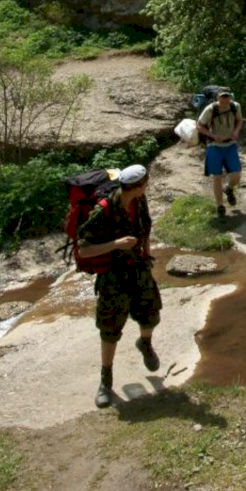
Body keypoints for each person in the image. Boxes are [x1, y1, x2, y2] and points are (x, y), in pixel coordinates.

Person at [75, 164, 162, 408]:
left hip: (139, 268)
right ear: (136, 186)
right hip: (114, 277)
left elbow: (146, 227)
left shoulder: (140, 201)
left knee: (151, 314)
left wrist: (146, 252)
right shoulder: (103, 211)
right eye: (145, 183)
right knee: (110, 329)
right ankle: (106, 380)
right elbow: (84, 248)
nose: (147, 186)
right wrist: (115, 244)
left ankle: (144, 343)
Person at [197, 89, 244, 221]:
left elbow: (240, 120)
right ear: (217, 98)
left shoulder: (235, 107)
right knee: (217, 177)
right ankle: (220, 206)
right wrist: (213, 136)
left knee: (237, 173)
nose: (224, 102)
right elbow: (199, 126)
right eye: (222, 99)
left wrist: (236, 131)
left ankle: (229, 189)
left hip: (230, 145)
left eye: (227, 98)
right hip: (214, 147)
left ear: (230, 97)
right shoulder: (210, 109)